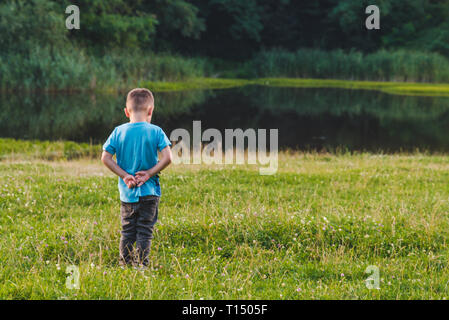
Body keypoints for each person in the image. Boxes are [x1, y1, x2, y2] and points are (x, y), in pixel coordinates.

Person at [101, 88, 172, 267]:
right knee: (144, 231)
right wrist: (149, 173)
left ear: (126, 111)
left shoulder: (118, 131)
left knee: (128, 231)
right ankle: (141, 266)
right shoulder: (156, 131)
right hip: (149, 192)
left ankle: (124, 264)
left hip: (127, 193)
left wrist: (125, 175)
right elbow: (168, 158)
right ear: (150, 110)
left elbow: (105, 158)